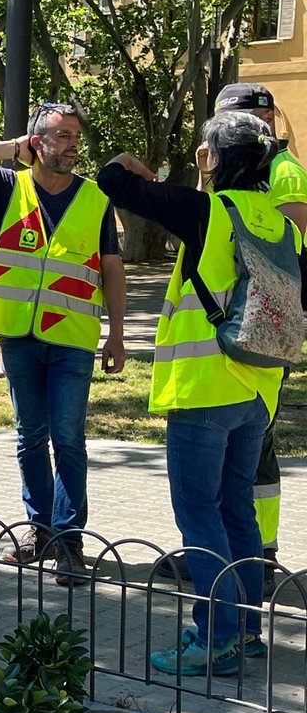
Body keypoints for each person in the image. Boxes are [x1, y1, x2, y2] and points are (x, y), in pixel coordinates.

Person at [98, 111, 301, 676]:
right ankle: (247, 632)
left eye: (206, 151)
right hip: (258, 389)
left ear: (216, 158)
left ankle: (216, 639)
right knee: (238, 509)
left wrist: (125, 162)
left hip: (204, 387)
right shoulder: (284, 223)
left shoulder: (208, 210)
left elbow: (113, 184)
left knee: (199, 513)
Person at [0, 102, 127, 585]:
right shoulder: (9, 185)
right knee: (30, 437)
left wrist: (118, 334)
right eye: (62, 136)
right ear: (37, 141)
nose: (72, 145)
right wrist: (12, 148)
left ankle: (69, 541)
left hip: (73, 338)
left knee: (68, 438)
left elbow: (111, 269)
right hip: (19, 334)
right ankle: (40, 530)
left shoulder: (95, 197)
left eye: (75, 137)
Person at [213, 84, 307, 597]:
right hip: (247, 323)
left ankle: (257, 554)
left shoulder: (280, 169)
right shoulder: (251, 168)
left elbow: (285, 243)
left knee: (257, 446)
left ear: (264, 118)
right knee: (249, 443)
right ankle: (241, 551)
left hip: (264, 325)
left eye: (233, 120)